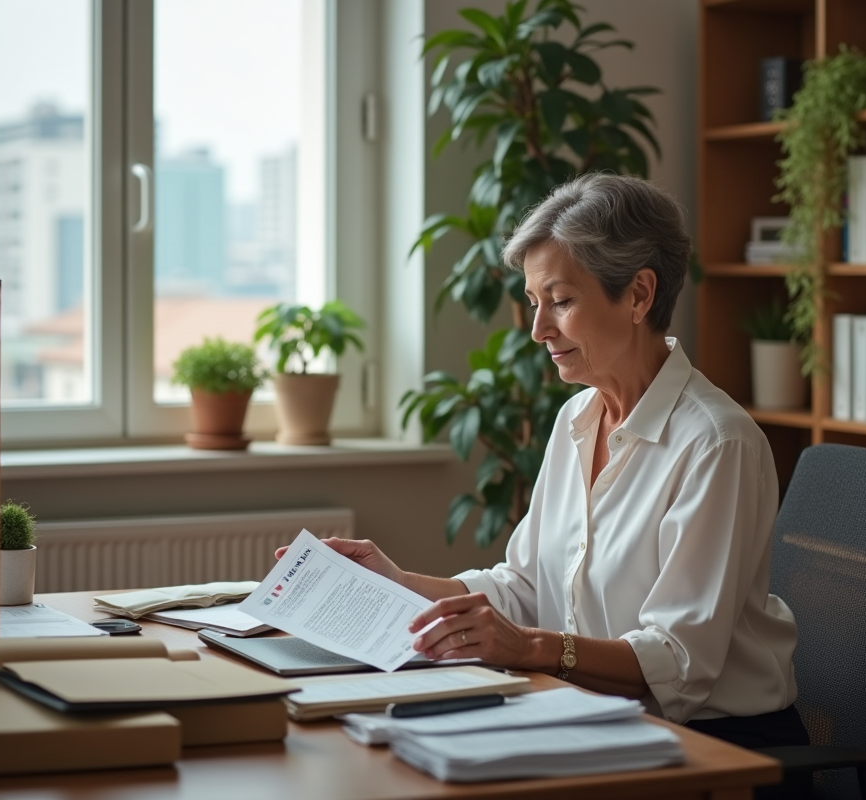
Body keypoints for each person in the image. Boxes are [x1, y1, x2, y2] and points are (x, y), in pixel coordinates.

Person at [281, 173, 809, 798]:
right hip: (594, 724)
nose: (538, 330)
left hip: (716, 753)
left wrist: (530, 648)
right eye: (534, 302)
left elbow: (678, 661)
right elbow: (524, 586)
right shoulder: (577, 418)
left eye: (559, 301)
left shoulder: (716, 443)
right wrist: (396, 582)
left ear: (639, 295)